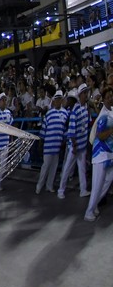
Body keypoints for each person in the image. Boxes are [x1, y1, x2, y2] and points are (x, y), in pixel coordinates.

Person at [84, 86, 113, 222]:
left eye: (112, 96)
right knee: (97, 185)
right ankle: (89, 212)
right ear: (103, 99)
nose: (111, 98)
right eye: (108, 97)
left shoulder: (112, 111)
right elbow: (100, 136)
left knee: (107, 181)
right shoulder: (103, 116)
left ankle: (94, 205)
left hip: (110, 154)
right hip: (100, 154)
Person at [57, 86, 91, 199]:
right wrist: (75, 145)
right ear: (80, 95)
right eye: (84, 93)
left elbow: (86, 126)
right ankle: (61, 190)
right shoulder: (75, 111)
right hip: (76, 146)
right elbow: (71, 131)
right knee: (67, 169)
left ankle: (83, 190)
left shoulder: (85, 109)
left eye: (87, 93)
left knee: (81, 169)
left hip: (82, 146)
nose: (86, 95)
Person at [36, 89, 69, 194]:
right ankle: (39, 186)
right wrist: (41, 144)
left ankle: (49, 186)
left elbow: (65, 129)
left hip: (57, 145)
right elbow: (43, 130)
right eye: (56, 99)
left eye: (60, 99)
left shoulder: (65, 113)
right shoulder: (49, 114)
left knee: (54, 168)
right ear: (54, 101)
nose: (58, 101)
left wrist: (63, 141)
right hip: (48, 145)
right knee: (45, 167)